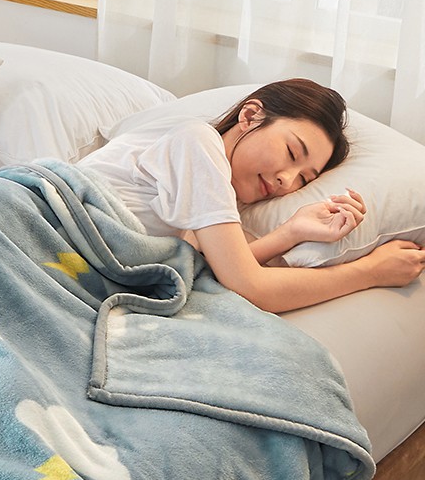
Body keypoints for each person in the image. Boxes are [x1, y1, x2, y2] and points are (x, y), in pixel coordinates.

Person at [79, 78, 425, 313]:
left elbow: (216, 267)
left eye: (304, 178)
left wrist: (291, 232)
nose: (286, 180)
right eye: (291, 152)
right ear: (250, 116)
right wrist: (370, 272)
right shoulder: (198, 143)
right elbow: (250, 286)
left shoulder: (207, 194)